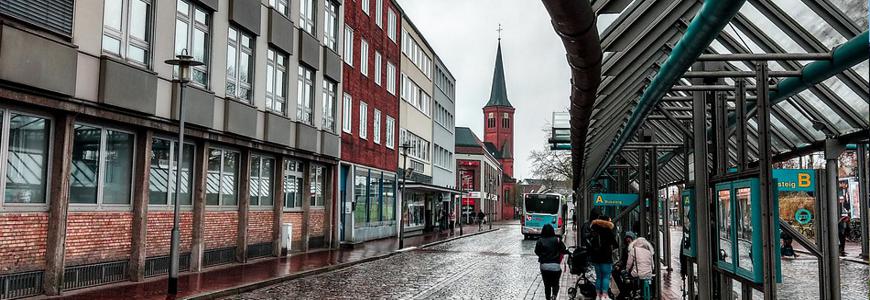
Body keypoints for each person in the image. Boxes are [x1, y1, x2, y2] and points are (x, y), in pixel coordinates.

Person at [589, 215, 618, 300]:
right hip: (606, 258)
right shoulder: (608, 231)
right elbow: (615, 244)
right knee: (606, 276)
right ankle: (604, 295)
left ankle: (598, 295)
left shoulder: (594, 229)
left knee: (598, 277)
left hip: (596, 258)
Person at [535, 224, 567, 300]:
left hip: (544, 266)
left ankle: (548, 298)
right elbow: (563, 249)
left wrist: (543, 256)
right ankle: (554, 296)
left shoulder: (540, 240)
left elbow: (536, 251)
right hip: (555, 266)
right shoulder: (557, 240)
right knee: (555, 283)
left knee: (547, 285)